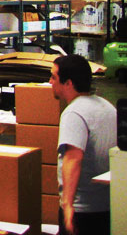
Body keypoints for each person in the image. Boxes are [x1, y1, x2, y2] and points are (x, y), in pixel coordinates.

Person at [49, 54, 116, 235]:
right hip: (108, 206)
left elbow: (73, 159)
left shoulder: (74, 114)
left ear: (68, 83)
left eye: (54, 77)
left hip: (82, 210)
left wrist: (68, 206)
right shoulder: (107, 107)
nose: (50, 82)